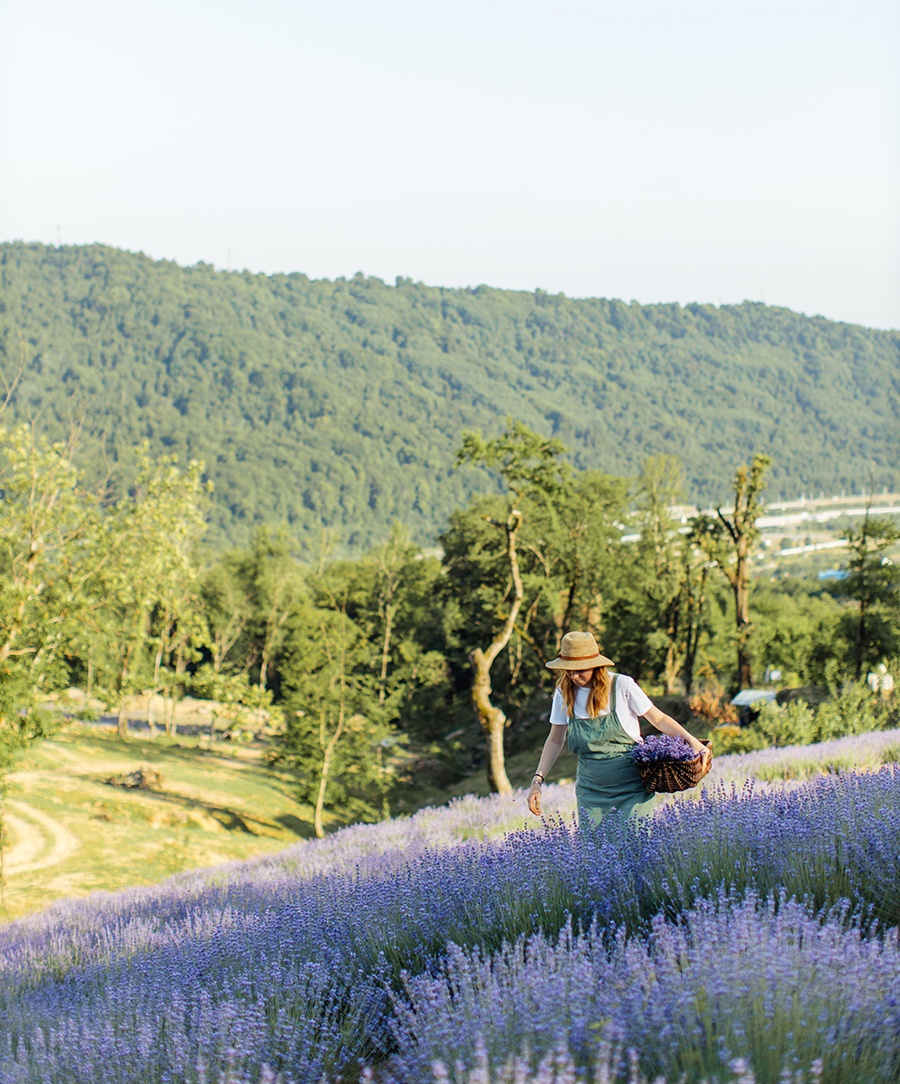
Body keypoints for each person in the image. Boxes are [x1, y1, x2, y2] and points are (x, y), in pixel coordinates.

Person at [527, 630, 709, 826]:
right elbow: (555, 739)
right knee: (594, 852)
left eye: (579, 669)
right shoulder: (564, 693)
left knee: (636, 848)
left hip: (632, 790)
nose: (573, 675)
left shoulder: (622, 685)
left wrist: (693, 742)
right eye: (568, 669)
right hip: (591, 793)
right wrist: (537, 780)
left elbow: (659, 719)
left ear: (595, 666)